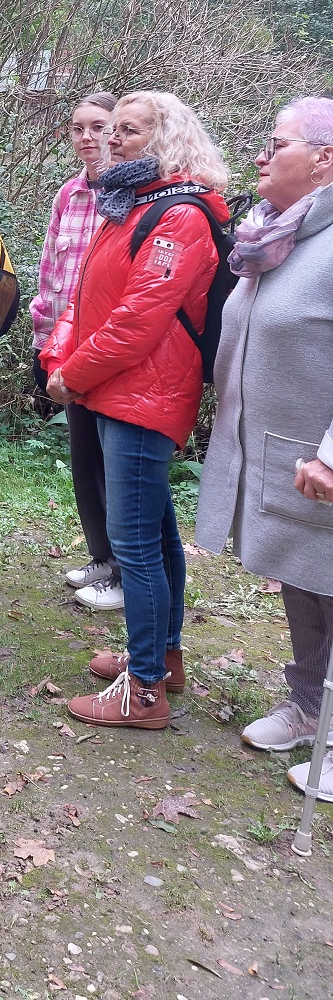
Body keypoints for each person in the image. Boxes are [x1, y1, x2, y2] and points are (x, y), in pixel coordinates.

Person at [43, 92, 230, 729]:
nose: (112, 140)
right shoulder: (131, 205)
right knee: (156, 535)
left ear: (167, 138)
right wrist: (59, 357)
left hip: (145, 394)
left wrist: (74, 374)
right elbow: (87, 298)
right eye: (112, 129)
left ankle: (144, 691)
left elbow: (137, 321)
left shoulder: (179, 215)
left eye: (128, 130)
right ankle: (163, 659)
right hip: (120, 390)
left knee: (136, 546)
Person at [196, 97, 333, 799]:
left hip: (322, 460)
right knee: (301, 577)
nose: (259, 154)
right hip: (281, 450)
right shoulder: (274, 237)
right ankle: (310, 706)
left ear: (323, 160)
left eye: (275, 144)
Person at [30, 93, 122, 612]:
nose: (87, 137)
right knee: (85, 459)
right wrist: (43, 339)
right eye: (77, 128)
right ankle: (102, 557)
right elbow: (50, 271)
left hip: (111, 350)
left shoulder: (133, 195)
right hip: (67, 348)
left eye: (99, 127)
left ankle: (127, 569)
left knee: (117, 461)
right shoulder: (69, 194)